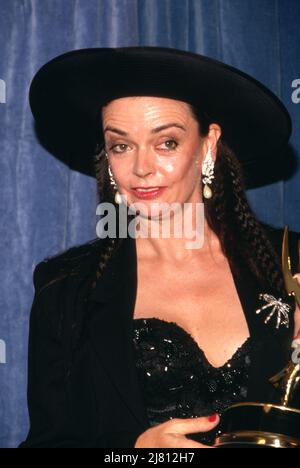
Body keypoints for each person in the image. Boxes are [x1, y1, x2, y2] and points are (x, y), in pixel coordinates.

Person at [20, 47, 300, 448]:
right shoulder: (66, 289)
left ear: (208, 145)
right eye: (121, 146)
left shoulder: (291, 264)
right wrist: (137, 453)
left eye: (166, 142)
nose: (141, 168)